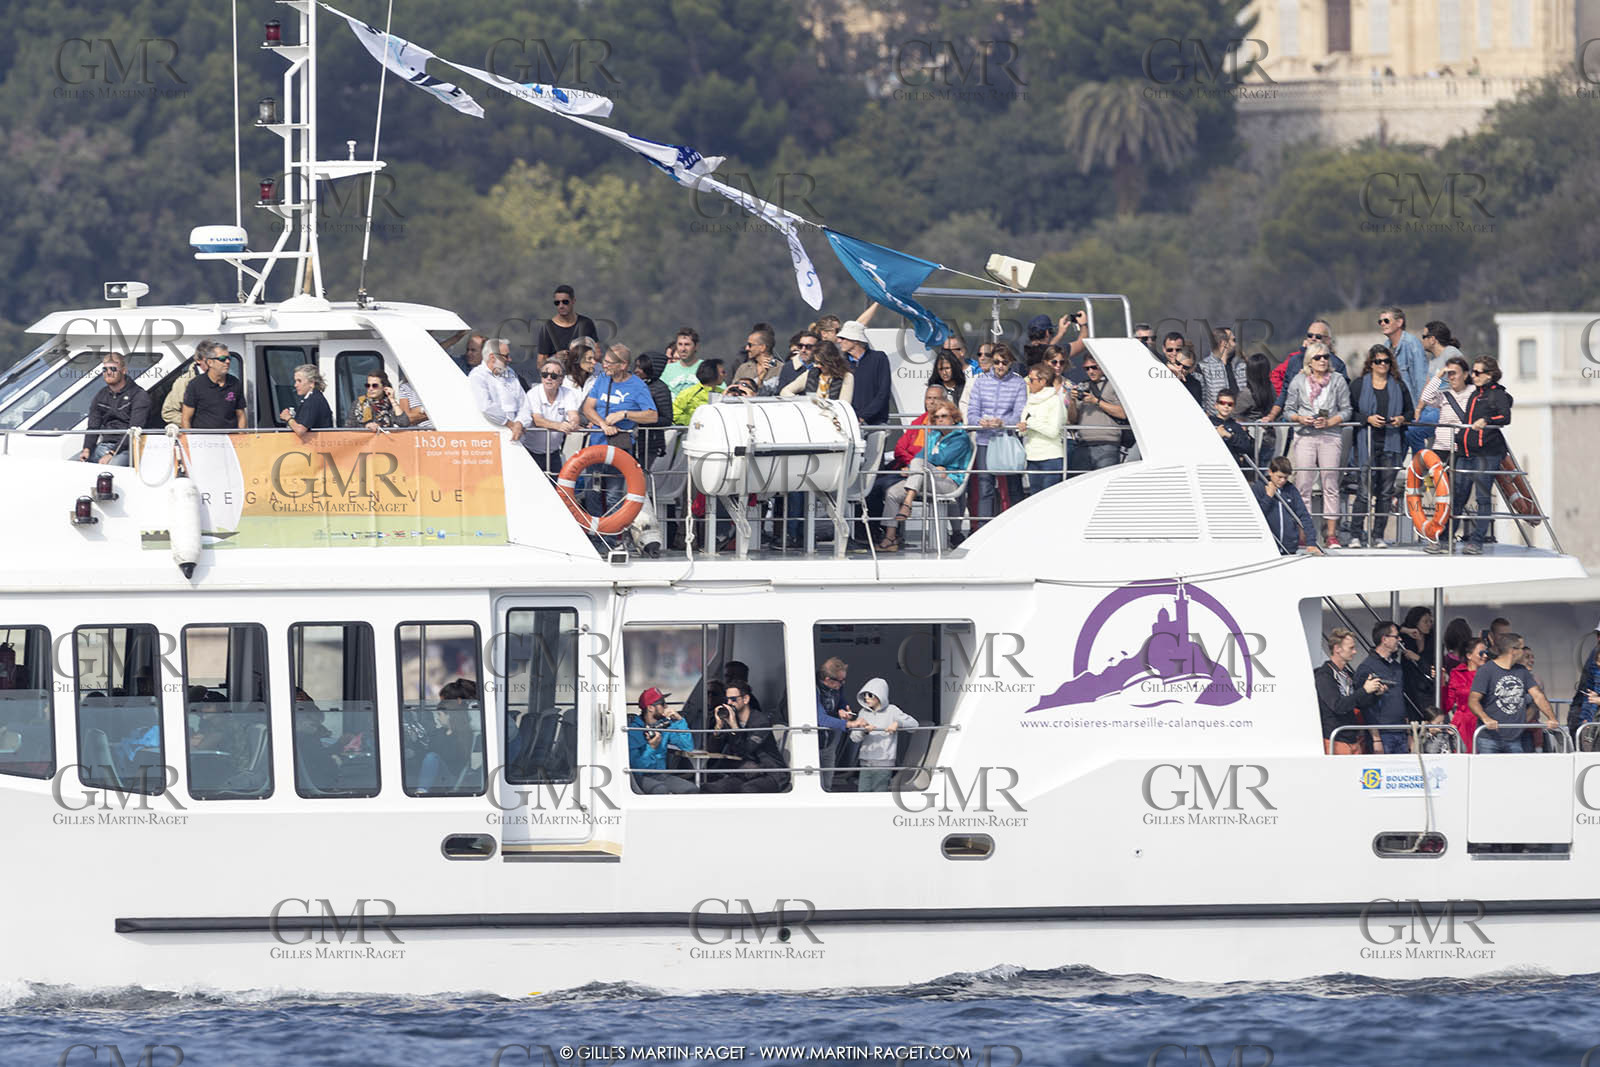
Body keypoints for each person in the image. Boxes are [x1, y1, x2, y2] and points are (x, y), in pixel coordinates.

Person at [1282, 342, 1350, 549]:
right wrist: (1300, 419)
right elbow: (1287, 410)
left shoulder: (1337, 380)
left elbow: (1347, 410)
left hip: (1330, 435)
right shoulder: (1298, 381)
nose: (1323, 361)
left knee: (1330, 483)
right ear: (1309, 361)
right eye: (1318, 357)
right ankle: (1304, 533)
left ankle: (1331, 534)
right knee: (1304, 484)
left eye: (1326, 357)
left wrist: (1330, 421)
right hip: (1305, 436)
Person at [1343, 344, 1412, 548]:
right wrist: (1367, 419)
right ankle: (1356, 534)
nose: (1382, 365)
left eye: (1386, 361)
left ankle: (1378, 535)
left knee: (1385, 493)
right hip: (1366, 443)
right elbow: (1349, 412)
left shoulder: (1399, 385)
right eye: (1378, 361)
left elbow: (1410, 412)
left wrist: (1401, 419)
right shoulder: (1358, 385)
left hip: (1391, 444)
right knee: (1363, 491)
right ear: (1370, 364)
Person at [877, 401, 971, 551]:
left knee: (919, 462)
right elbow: (922, 456)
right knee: (893, 493)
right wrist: (922, 465)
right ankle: (890, 538)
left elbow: (942, 458)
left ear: (954, 418)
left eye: (944, 416)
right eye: (937, 417)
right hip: (928, 477)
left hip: (950, 481)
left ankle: (907, 503)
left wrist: (926, 464)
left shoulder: (961, 438)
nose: (940, 419)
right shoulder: (934, 435)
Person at [580, 346, 658, 518]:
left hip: (619, 447)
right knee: (592, 492)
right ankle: (595, 536)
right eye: (604, 361)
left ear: (623, 365)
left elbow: (652, 416)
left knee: (613, 495)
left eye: (608, 363)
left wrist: (624, 414)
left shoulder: (638, 386)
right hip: (596, 445)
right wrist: (602, 424)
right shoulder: (602, 379)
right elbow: (587, 408)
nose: (604, 365)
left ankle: (611, 538)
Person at [1455, 356, 1512, 554]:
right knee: (1458, 496)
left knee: (1482, 498)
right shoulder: (1474, 394)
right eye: (1473, 372)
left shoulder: (1497, 394)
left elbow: (1505, 416)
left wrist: (1486, 420)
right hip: (1467, 453)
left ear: (1490, 375)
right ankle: (1446, 538)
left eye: (1478, 373)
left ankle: (1477, 541)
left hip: (1487, 454)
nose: (1474, 375)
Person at [1470, 632, 1557, 754]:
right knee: (1489, 772)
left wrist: (1552, 718)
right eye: (1522, 648)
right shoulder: (1486, 670)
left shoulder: (1522, 671)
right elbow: (1473, 700)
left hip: (1515, 738)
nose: (1524, 652)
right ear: (1513, 651)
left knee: (1516, 772)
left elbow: (1538, 695)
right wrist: (1486, 719)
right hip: (1489, 738)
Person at [967, 343, 1027, 519]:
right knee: (985, 487)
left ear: (1010, 363)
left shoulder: (1018, 383)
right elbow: (971, 413)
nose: (1000, 366)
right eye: (997, 362)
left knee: (1013, 486)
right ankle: (984, 528)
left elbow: (1019, 414)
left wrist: (1003, 422)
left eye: (1004, 362)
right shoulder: (980, 381)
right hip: (985, 440)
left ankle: (1015, 527)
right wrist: (980, 421)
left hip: (1007, 440)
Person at [704, 680, 787, 793]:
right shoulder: (731, 720)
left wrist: (734, 727)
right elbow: (712, 750)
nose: (729, 703)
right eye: (727, 699)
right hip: (746, 773)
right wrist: (718, 727)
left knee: (748, 790)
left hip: (771, 773)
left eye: (733, 699)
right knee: (709, 788)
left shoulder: (760, 722)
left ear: (746, 699)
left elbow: (745, 749)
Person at [1316, 629, 1383, 753]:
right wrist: (1364, 690)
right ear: (1337, 649)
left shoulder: (1347, 674)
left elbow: (1360, 703)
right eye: (1351, 648)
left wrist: (1375, 693)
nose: (1355, 651)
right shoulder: (1324, 675)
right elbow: (1338, 706)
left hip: (1353, 737)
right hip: (1335, 739)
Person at [80, 352, 150, 465]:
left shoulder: (139, 395)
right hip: (104, 445)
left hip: (128, 448)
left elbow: (134, 431)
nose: (108, 373)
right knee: (74, 463)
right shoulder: (100, 395)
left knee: (112, 466)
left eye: (113, 369)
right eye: (105, 369)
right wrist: (87, 449)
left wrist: (111, 453)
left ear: (123, 370)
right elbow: (93, 426)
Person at [849, 678, 918, 792]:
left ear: (880, 694)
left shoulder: (892, 710)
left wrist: (898, 723)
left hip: (884, 763)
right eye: (864, 695)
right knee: (862, 794)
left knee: (879, 794)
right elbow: (854, 738)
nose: (866, 697)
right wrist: (864, 731)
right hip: (865, 762)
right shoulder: (863, 712)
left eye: (870, 694)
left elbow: (914, 725)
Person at [514, 359, 582, 473]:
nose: (549, 378)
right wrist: (559, 426)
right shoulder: (533, 393)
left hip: (554, 453)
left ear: (561, 379)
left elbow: (574, 415)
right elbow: (537, 420)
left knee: (556, 489)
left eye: (554, 375)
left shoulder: (568, 393)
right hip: (531, 452)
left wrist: (573, 424)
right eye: (545, 374)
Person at [1352, 621, 1408, 753]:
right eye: (1396, 636)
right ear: (1384, 639)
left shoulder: (1397, 667)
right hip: (1383, 734)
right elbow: (1364, 705)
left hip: (1401, 731)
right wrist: (1375, 738)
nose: (1399, 639)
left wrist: (1408, 731)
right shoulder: (1367, 667)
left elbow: (1401, 698)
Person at [627, 687, 696, 794]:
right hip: (640, 776)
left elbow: (688, 747)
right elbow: (637, 767)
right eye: (662, 703)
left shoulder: (665, 725)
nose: (666, 706)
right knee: (660, 790)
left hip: (661, 775)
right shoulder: (633, 731)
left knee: (691, 789)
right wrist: (651, 748)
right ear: (650, 708)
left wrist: (680, 721)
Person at [1066, 354, 1127, 473]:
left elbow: (1123, 414)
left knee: (1106, 482)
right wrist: (1072, 401)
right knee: (1078, 484)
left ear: (1102, 367)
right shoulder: (1082, 386)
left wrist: (1096, 401)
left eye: (1094, 367)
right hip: (1083, 445)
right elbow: (1072, 420)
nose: (1091, 371)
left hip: (1108, 444)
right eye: (1087, 368)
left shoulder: (1115, 386)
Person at [1252, 456, 1323, 555]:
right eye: (1279, 477)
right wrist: (1268, 497)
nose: (1282, 481)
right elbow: (1255, 517)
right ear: (1270, 472)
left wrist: (1311, 543)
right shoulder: (1259, 488)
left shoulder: (1291, 490)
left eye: (1285, 477)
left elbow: (1304, 516)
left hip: (1290, 549)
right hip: (1267, 548)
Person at [1019, 362, 1068, 495]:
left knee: (1049, 500)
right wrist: (1024, 428)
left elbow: (1053, 431)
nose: (1028, 382)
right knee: (1034, 500)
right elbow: (1024, 430)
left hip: (1051, 458)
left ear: (1043, 381)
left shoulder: (1055, 401)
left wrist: (1029, 422)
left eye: (1031, 379)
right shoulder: (1030, 400)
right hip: (1032, 457)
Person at [835, 320, 892, 428]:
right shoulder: (841, 363)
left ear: (855, 340)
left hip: (876, 423)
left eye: (843, 338)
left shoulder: (879, 358)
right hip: (848, 423)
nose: (838, 341)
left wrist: (862, 417)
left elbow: (883, 392)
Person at [814, 657, 857, 791]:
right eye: (841, 680)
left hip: (830, 739)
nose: (843, 683)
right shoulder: (813, 690)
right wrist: (849, 724)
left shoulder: (837, 687)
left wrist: (843, 709)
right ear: (828, 680)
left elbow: (841, 701)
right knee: (815, 782)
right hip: (813, 740)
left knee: (827, 783)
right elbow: (820, 719)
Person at [180, 344, 247, 430]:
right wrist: (189, 440)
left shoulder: (235, 382)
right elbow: (186, 419)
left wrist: (242, 438)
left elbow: (241, 415)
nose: (227, 361)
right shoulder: (195, 385)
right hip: (204, 439)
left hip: (231, 438)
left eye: (229, 358)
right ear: (210, 362)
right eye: (222, 359)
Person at [162, 340, 223, 427]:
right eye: (209, 359)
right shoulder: (184, 382)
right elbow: (169, 412)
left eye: (217, 359)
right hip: (198, 434)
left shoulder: (229, 379)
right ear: (199, 360)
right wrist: (195, 423)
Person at [469, 340, 527, 430]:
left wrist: (520, 422)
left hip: (516, 433)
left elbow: (524, 403)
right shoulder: (477, 375)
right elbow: (485, 407)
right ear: (492, 357)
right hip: (491, 434)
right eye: (506, 356)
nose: (510, 359)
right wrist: (509, 424)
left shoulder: (510, 372)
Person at [1376, 306, 1428, 404]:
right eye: (1380, 322)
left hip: (1412, 407)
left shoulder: (1412, 344)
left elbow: (1420, 379)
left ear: (1399, 322)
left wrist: (1419, 408)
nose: (1382, 324)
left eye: (1386, 321)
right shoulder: (1385, 347)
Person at [1446, 637, 1489, 752]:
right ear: (1469, 655)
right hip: (1463, 724)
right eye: (1481, 653)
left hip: (1484, 722)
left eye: (1486, 653)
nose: (1485, 656)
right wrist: (1441, 683)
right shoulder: (1457, 673)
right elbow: (1448, 704)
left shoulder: (1490, 673)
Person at [779, 340, 854, 404]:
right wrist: (802, 402)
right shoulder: (811, 373)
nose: (818, 366)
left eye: (821, 363)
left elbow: (844, 405)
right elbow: (785, 391)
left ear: (831, 361)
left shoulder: (847, 377)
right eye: (816, 362)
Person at [634, 353, 675, 466]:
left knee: (644, 476)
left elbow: (667, 419)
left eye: (641, 368)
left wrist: (641, 420)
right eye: (636, 366)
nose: (636, 370)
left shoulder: (660, 389)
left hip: (651, 443)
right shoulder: (633, 384)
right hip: (632, 442)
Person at [537, 284, 599, 358]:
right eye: (557, 303)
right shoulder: (548, 328)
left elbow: (597, 354)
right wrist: (555, 357)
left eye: (565, 302)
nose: (561, 306)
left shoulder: (586, 323)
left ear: (573, 301)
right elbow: (540, 363)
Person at [1398, 606, 1436, 722]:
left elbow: (1433, 669)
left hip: (1426, 690)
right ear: (1416, 622)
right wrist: (1407, 631)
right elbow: (1388, 627)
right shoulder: (1406, 637)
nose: (1429, 624)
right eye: (1425, 621)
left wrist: (1417, 658)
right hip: (1409, 686)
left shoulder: (1433, 639)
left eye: (1430, 621)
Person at [279, 364, 332, 443]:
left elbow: (300, 430)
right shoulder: (314, 398)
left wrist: (288, 418)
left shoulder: (313, 401)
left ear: (311, 383)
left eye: (299, 381)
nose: (295, 385)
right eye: (295, 381)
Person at [1210, 388, 1257, 477]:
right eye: (1222, 403)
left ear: (1234, 407)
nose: (1226, 406)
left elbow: (1247, 448)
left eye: (1230, 404)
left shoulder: (1237, 426)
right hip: (1212, 467)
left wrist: (1229, 436)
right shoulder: (1207, 423)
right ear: (1216, 405)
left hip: (1233, 469)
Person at [1569, 626, 1600, 744]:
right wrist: (1586, 719)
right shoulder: (1595, 653)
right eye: (1598, 635)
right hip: (1591, 721)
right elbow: (1590, 693)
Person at [732, 325, 783, 396]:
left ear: (762, 347)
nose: (747, 348)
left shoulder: (780, 369)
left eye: (750, 345)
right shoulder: (743, 368)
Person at [674, 359, 725, 424]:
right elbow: (675, 415)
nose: (725, 375)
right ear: (712, 373)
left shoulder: (723, 393)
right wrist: (697, 422)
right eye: (723, 372)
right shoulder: (688, 393)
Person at [659, 328, 702, 397]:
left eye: (687, 344)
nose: (683, 349)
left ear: (696, 346)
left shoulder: (707, 368)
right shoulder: (665, 371)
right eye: (680, 344)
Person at [929, 350, 969, 419]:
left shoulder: (965, 387)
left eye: (947, 368)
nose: (944, 373)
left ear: (954, 367)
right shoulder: (934, 390)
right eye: (941, 369)